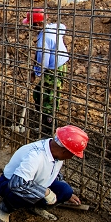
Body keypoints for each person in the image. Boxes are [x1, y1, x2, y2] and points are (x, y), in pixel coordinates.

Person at [0, 125, 88, 222]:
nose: (72, 157)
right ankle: (4, 208)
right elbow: (16, 184)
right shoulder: (35, 156)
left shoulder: (55, 151)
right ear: (65, 151)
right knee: (30, 193)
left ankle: (35, 207)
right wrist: (45, 192)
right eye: (73, 154)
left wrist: (67, 195)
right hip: (9, 184)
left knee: (65, 191)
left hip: (35, 182)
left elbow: (53, 173)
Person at [24, 8, 69, 136]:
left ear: (37, 24)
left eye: (31, 24)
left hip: (54, 70)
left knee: (47, 98)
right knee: (38, 93)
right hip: (59, 66)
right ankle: (45, 124)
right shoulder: (53, 28)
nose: (30, 27)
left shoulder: (44, 39)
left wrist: (35, 73)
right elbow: (62, 26)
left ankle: (49, 130)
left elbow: (43, 61)